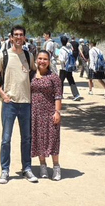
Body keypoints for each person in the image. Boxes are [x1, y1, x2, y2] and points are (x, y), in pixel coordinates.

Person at [0, 25, 38, 184]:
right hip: (9, 103)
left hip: (26, 102)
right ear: (11, 37)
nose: (18, 37)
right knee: (6, 138)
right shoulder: (4, 55)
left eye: (21, 35)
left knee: (26, 138)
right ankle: (5, 170)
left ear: (24, 37)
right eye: (16, 35)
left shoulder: (28, 55)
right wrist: (3, 95)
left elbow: (35, 72)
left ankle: (27, 168)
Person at [30, 50, 63, 181]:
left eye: (45, 59)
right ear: (36, 60)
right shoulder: (31, 75)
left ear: (49, 62)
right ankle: (42, 165)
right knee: (38, 139)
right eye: (40, 58)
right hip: (35, 113)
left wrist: (57, 112)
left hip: (50, 112)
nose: (42, 61)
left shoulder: (54, 77)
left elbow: (58, 96)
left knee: (53, 139)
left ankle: (56, 167)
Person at [57, 36, 82, 101]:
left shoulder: (62, 49)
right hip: (70, 67)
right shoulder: (69, 49)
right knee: (71, 80)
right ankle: (76, 94)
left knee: (60, 81)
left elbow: (61, 60)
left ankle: (60, 94)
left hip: (64, 68)